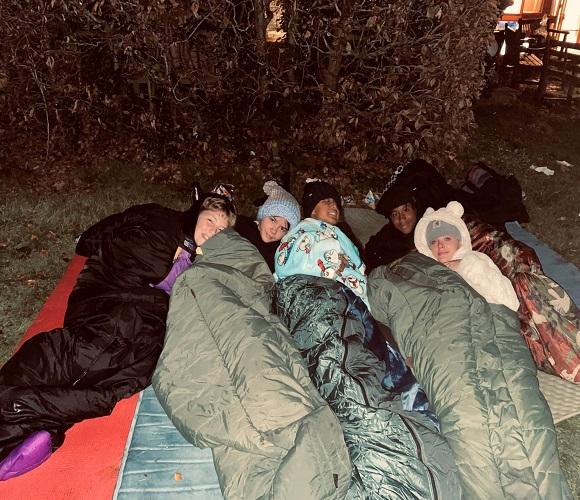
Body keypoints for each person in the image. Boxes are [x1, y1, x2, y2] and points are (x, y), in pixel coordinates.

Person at [0, 194, 236, 480]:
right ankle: (37, 426)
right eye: (209, 220)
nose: (212, 231)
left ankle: (21, 416)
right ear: (196, 213)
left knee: (69, 360)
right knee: (74, 365)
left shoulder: (203, 260)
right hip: (112, 302)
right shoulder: (164, 224)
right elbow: (129, 247)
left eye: (221, 230)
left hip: (136, 325)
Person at [414, 201, 519, 311]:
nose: (440, 245)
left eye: (447, 239)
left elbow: (510, 302)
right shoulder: (428, 272)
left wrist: (465, 265)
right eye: (433, 242)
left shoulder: (475, 259)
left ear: (459, 241)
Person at [276, 180, 368, 305]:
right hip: (327, 299)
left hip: (359, 297)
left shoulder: (341, 233)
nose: (334, 206)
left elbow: (357, 264)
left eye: (336, 202)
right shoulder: (303, 231)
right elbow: (287, 265)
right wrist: (333, 263)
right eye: (327, 201)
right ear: (313, 210)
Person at [235, 181, 300, 272]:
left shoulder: (280, 253)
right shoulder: (240, 223)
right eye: (273, 220)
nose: (274, 230)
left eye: (282, 228)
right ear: (262, 215)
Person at [365, 185, 422, 271]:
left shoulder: (428, 230)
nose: (401, 218)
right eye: (395, 214)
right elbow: (370, 251)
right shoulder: (386, 235)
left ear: (415, 209)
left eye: (405, 210)